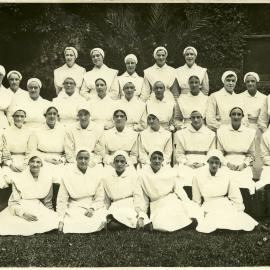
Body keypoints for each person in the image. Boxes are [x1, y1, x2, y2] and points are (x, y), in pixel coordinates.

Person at [192, 149, 258, 233]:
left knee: (234, 217)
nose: (214, 165)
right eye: (211, 162)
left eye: (217, 162)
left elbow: (235, 194)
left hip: (223, 203)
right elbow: (196, 199)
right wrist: (197, 212)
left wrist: (239, 208)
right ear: (207, 162)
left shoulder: (227, 175)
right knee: (211, 220)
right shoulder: (198, 176)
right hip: (208, 204)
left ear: (220, 163)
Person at [139, 149, 201, 232]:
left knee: (180, 211)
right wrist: (142, 214)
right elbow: (144, 197)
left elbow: (178, 189)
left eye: (159, 158)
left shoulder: (169, 172)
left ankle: (187, 224)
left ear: (163, 160)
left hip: (170, 199)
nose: (157, 161)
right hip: (157, 203)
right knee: (162, 222)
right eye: (154, 158)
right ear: (150, 159)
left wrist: (187, 202)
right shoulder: (143, 175)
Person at [0, 153, 59, 236]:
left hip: (38, 206)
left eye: (38, 162)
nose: (35, 165)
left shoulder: (47, 179)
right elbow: (13, 203)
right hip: (22, 205)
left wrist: (51, 215)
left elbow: (47, 201)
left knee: (52, 221)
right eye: (32, 161)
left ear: (42, 164)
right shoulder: (19, 179)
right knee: (13, 225)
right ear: (28, 163)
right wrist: (23, 213)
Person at [57, 149, 107, 233]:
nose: (83, 161)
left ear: (89, 159)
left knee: (100, 219)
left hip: (92, 205)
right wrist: (60, 219)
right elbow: (62, 200)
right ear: (76, 159)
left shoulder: (96, 174)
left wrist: (92, 208)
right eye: (80, 158)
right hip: (75, 205)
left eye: (86, 158)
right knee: (76, 221)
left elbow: (100, 197)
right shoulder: (67, 175)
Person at [102, 151, 151, 230]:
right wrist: (104, 213)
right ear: (113, 163)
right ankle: (129, 225)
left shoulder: (133, 176)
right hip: (115, 206)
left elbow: (137, 196)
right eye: (117, 161)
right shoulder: (107, 179)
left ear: (126, 163)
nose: (119, 164)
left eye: (122, 161)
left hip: (130, 205)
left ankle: (129, 224)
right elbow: (106, 200)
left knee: (131, 217)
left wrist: (140, 213)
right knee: (111, 223)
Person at [217, 107, 256, 194]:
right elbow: (219, 152)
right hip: (226, 162)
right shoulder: (221, 131)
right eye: (233, 114)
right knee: (225, 181)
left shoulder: (250, 132)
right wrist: (227, 163)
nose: (236, 117)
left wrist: (244, 164)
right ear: (230, 116)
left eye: (239, 114)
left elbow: (251, 154)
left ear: (242, 116)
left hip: (242, 162)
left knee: (245, 181)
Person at [175, 110, 216, 186]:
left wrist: (203, 163)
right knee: (183, 176)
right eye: (193, 117)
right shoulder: (182, 133)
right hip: (187, 161)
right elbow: (179, 153)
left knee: (205, 177)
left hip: (204, 161)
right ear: (190, 119)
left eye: (198, 117)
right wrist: (187, 163)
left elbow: (212, 152)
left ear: (202, 118)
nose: (196, 120)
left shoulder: (210, 133)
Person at [27, 106, 66, 184]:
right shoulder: (37, 130)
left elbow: (68, 150)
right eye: (49, 114)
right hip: (42, 159)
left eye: (54, 114)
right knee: (44, 177)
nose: (52, 116)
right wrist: (45, 159)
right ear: (45, 116)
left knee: (61, 178)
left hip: (60, 161)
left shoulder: (64, 130)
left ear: (57, 116)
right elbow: (32, 151)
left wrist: (62, 160)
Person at [64, 103, 105, 167]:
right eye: (80, 115)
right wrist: (76, 162)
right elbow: (69, 151)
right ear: (78, 116)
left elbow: (100, 152)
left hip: (92, 161)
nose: (83, 117)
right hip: (75, 161)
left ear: (90, 115)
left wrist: (94, 162)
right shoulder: (70, 129)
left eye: (85, 114)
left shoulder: (98, 129)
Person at [1, 107, 32, 173]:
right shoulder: (6, 131)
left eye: (22, 116)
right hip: (10, 160)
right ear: (13, 117)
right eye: (17, 116)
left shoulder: (29, 132)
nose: (19, 118)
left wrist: (26, 164)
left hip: (25, 161)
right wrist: (10, 165)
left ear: (25, 117)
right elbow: (5, 150)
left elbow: (30, 150)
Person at [0, 65, 13, 130]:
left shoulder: (7, 93)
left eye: (0, 75)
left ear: (3, 76)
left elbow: (9, 113)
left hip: (2, 122)